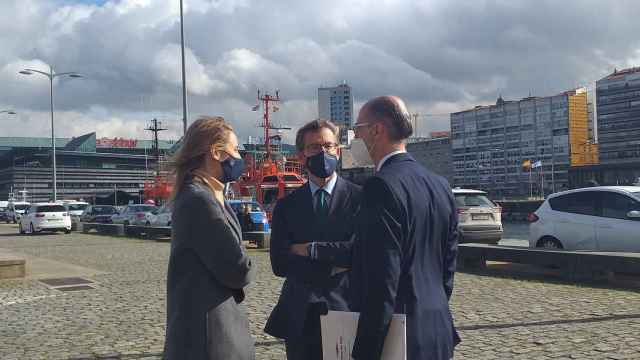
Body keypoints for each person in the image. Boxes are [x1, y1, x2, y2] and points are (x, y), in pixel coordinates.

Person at [350, 96, 460, 360]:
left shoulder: (380, 187)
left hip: (399, 337)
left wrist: (364, 351)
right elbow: (448, 267)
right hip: (438, 328)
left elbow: (382, 280)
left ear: (376, 130)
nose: (355, 139)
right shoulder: (440, 185)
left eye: (357, 130)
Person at [264, 119, 362, 360]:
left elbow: (359, 253)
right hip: (300, 313)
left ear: (338, 150)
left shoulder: (360, 198)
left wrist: (310, 250)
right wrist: (336, 262)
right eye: (315, 147)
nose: (324, 152)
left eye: (329, 146)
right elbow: (280, 263)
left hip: (347, 308)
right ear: (301, 156)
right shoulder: (286, 206)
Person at [164, 116, 255, 360]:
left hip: (210, 330)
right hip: (209, 337)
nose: (238, 158)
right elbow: (238, 269)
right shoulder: (199, 199)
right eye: (234, 149)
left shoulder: (207, 195)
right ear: (216, 152)